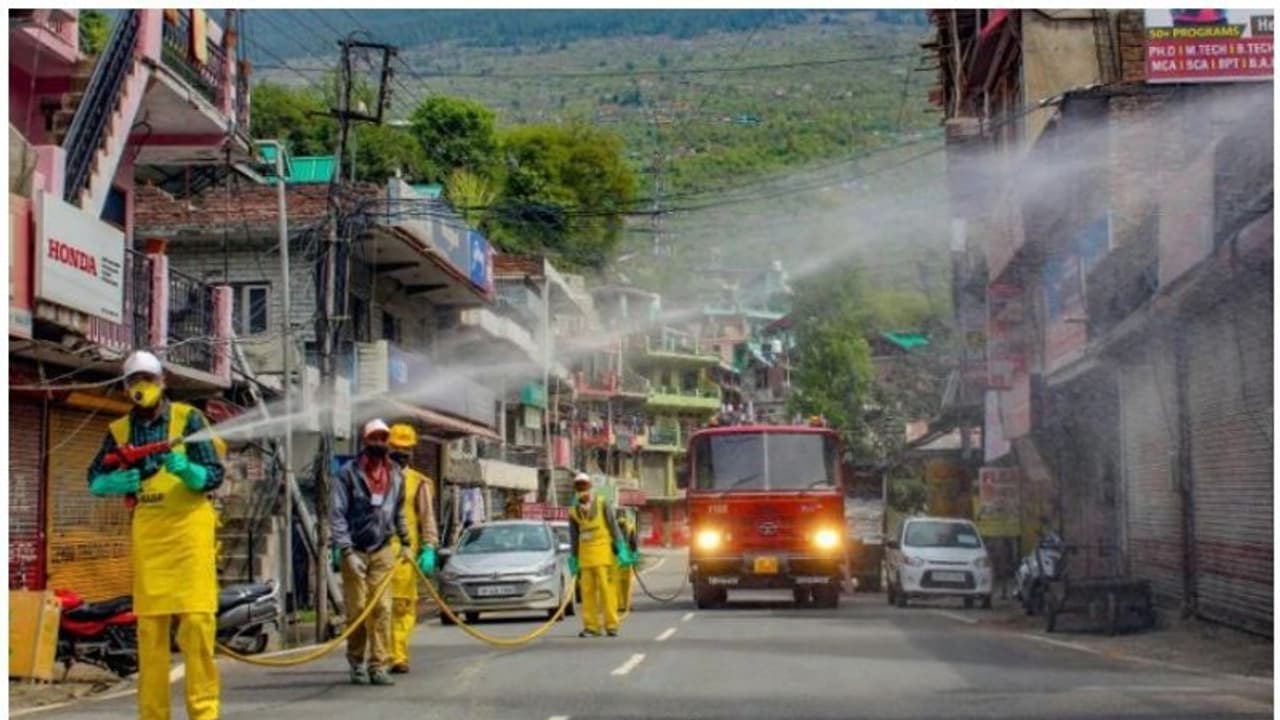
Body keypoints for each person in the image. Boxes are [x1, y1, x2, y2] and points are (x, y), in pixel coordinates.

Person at [86, 350, 225, 720]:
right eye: (133, 380)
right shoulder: (117, 432)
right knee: (150, 635)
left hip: (190, 534)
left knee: (196, 626)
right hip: (150, 539)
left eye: (148, 378)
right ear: (125, 387)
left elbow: (214, 472)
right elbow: (93, 478)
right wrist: (109, 483)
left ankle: (204, 713)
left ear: (162, 382)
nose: (141, 386)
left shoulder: (189, 419)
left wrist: (190, 472)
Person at [331, 419, 413, 686]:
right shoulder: (347, 474)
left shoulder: (396, 476)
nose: (379, 443)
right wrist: (346, 551)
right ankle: (356, 662)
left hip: (383, 549)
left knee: (382, 608)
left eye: (383, 438)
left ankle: (378, 664)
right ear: (364, 442)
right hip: (355, 549)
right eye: (374, 439)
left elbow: (399, 512)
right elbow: (338, 514)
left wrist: (407, 542)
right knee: (357, 610)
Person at [386, 423, 439, 675]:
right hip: (376, 551)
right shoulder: (375, 477)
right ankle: (381, 654)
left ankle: (396, 655)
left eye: (406, 449)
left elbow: (427, 518)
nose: (401, 453)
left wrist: (429, 546)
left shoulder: (418, 483)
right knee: (375, 607)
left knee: (403, 606)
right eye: (397, 447)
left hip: (406, 556)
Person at [567, 473, 636, 638]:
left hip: (603, 555)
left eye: (584, 486)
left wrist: (622, 550)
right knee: (587, 593)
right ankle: (591, 627)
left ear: (590, 487)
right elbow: (573, 537)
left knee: (607, 591)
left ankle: (611, 625)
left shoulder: (602, 502)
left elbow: (614, 527)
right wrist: (574, 560)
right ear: (575, 489)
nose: (581, 489)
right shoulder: (573, 511)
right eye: (578, 486)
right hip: (585, 557)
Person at [613, 508, 639, 613]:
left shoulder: (612, 526)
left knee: (617, 584)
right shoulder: (630, 526)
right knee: (627, 584)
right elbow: (633, 544)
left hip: (616, 558)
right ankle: (627, 605)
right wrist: (634, 557)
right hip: (627, 558)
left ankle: (619, 605)